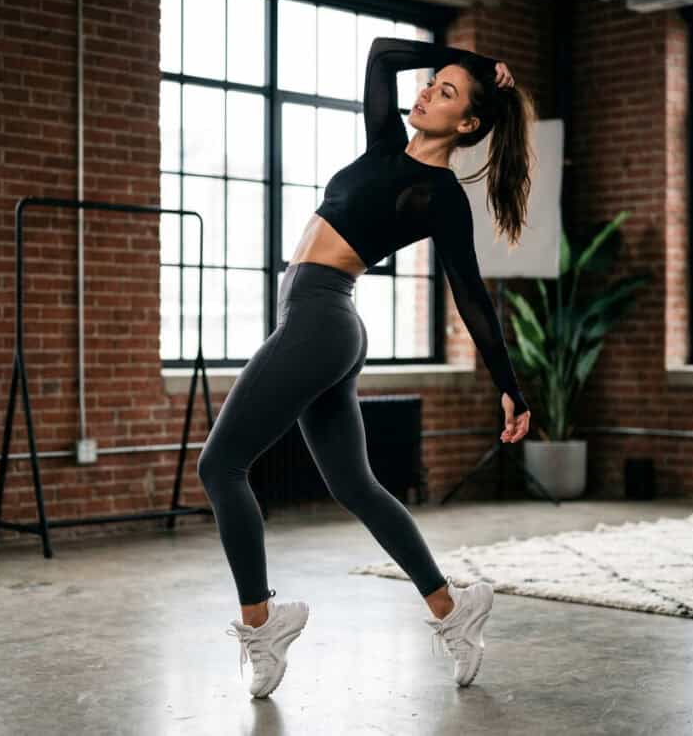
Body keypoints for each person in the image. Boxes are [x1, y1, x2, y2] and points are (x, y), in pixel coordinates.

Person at [199, 36, 535, 698]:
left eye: (445, 92)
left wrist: (510, 387)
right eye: (430, 83)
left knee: (220, 465)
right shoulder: (385, 145)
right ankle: (452, 609)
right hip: (318, 319)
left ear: (467, 123)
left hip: (321, 318)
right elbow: (382, 54)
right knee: (355, 483)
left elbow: (471, 293)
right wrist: (472, 56)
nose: (425, 92)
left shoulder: (439, 194)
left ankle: (262, 624)